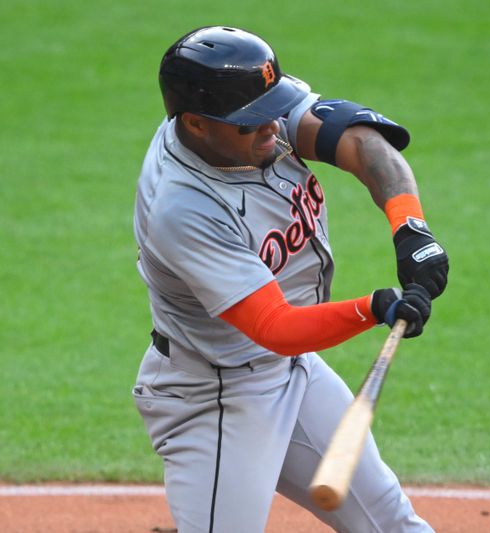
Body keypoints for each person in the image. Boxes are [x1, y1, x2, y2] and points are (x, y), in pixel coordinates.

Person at [131, 26, 449, 533]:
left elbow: (360, 141)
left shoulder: (244, 112)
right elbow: (274, 326)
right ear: (194, 123)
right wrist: (374, 307)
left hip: (290, 370)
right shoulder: (183, 208)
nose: (271, 128)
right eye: (250, 123)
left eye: (272, 109)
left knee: (391, 522)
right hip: (215, 393)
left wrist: (409, 226)